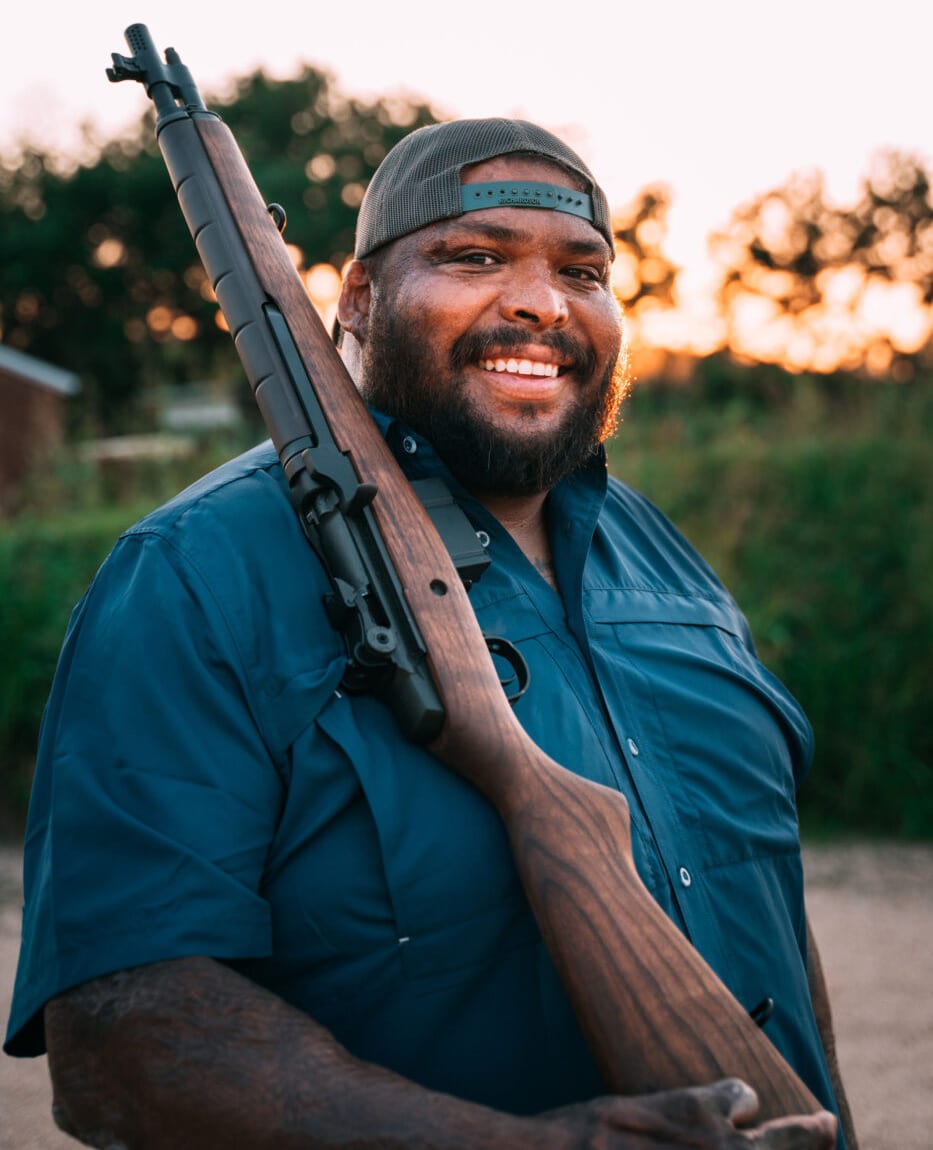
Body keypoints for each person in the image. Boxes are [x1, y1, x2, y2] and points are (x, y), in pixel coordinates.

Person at [4, 118, 853, 1149]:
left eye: (584, 271)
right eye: (476, 257)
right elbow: (118, 1046)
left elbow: (773, 919)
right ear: (356, 299)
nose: (542, 301)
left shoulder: (669, 560)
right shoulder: (193, 573)